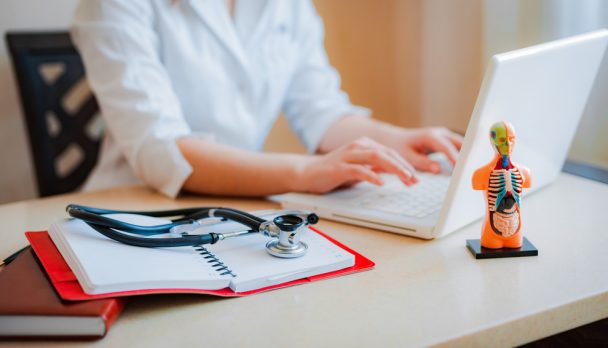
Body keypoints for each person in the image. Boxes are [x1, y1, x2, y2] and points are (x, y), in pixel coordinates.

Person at [72, 0, 463, 198]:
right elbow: (163, 152)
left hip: (239, 209)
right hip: (131, 209)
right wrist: (306, 173)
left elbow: (322, 111)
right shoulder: (114, 6)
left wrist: (397, 141)